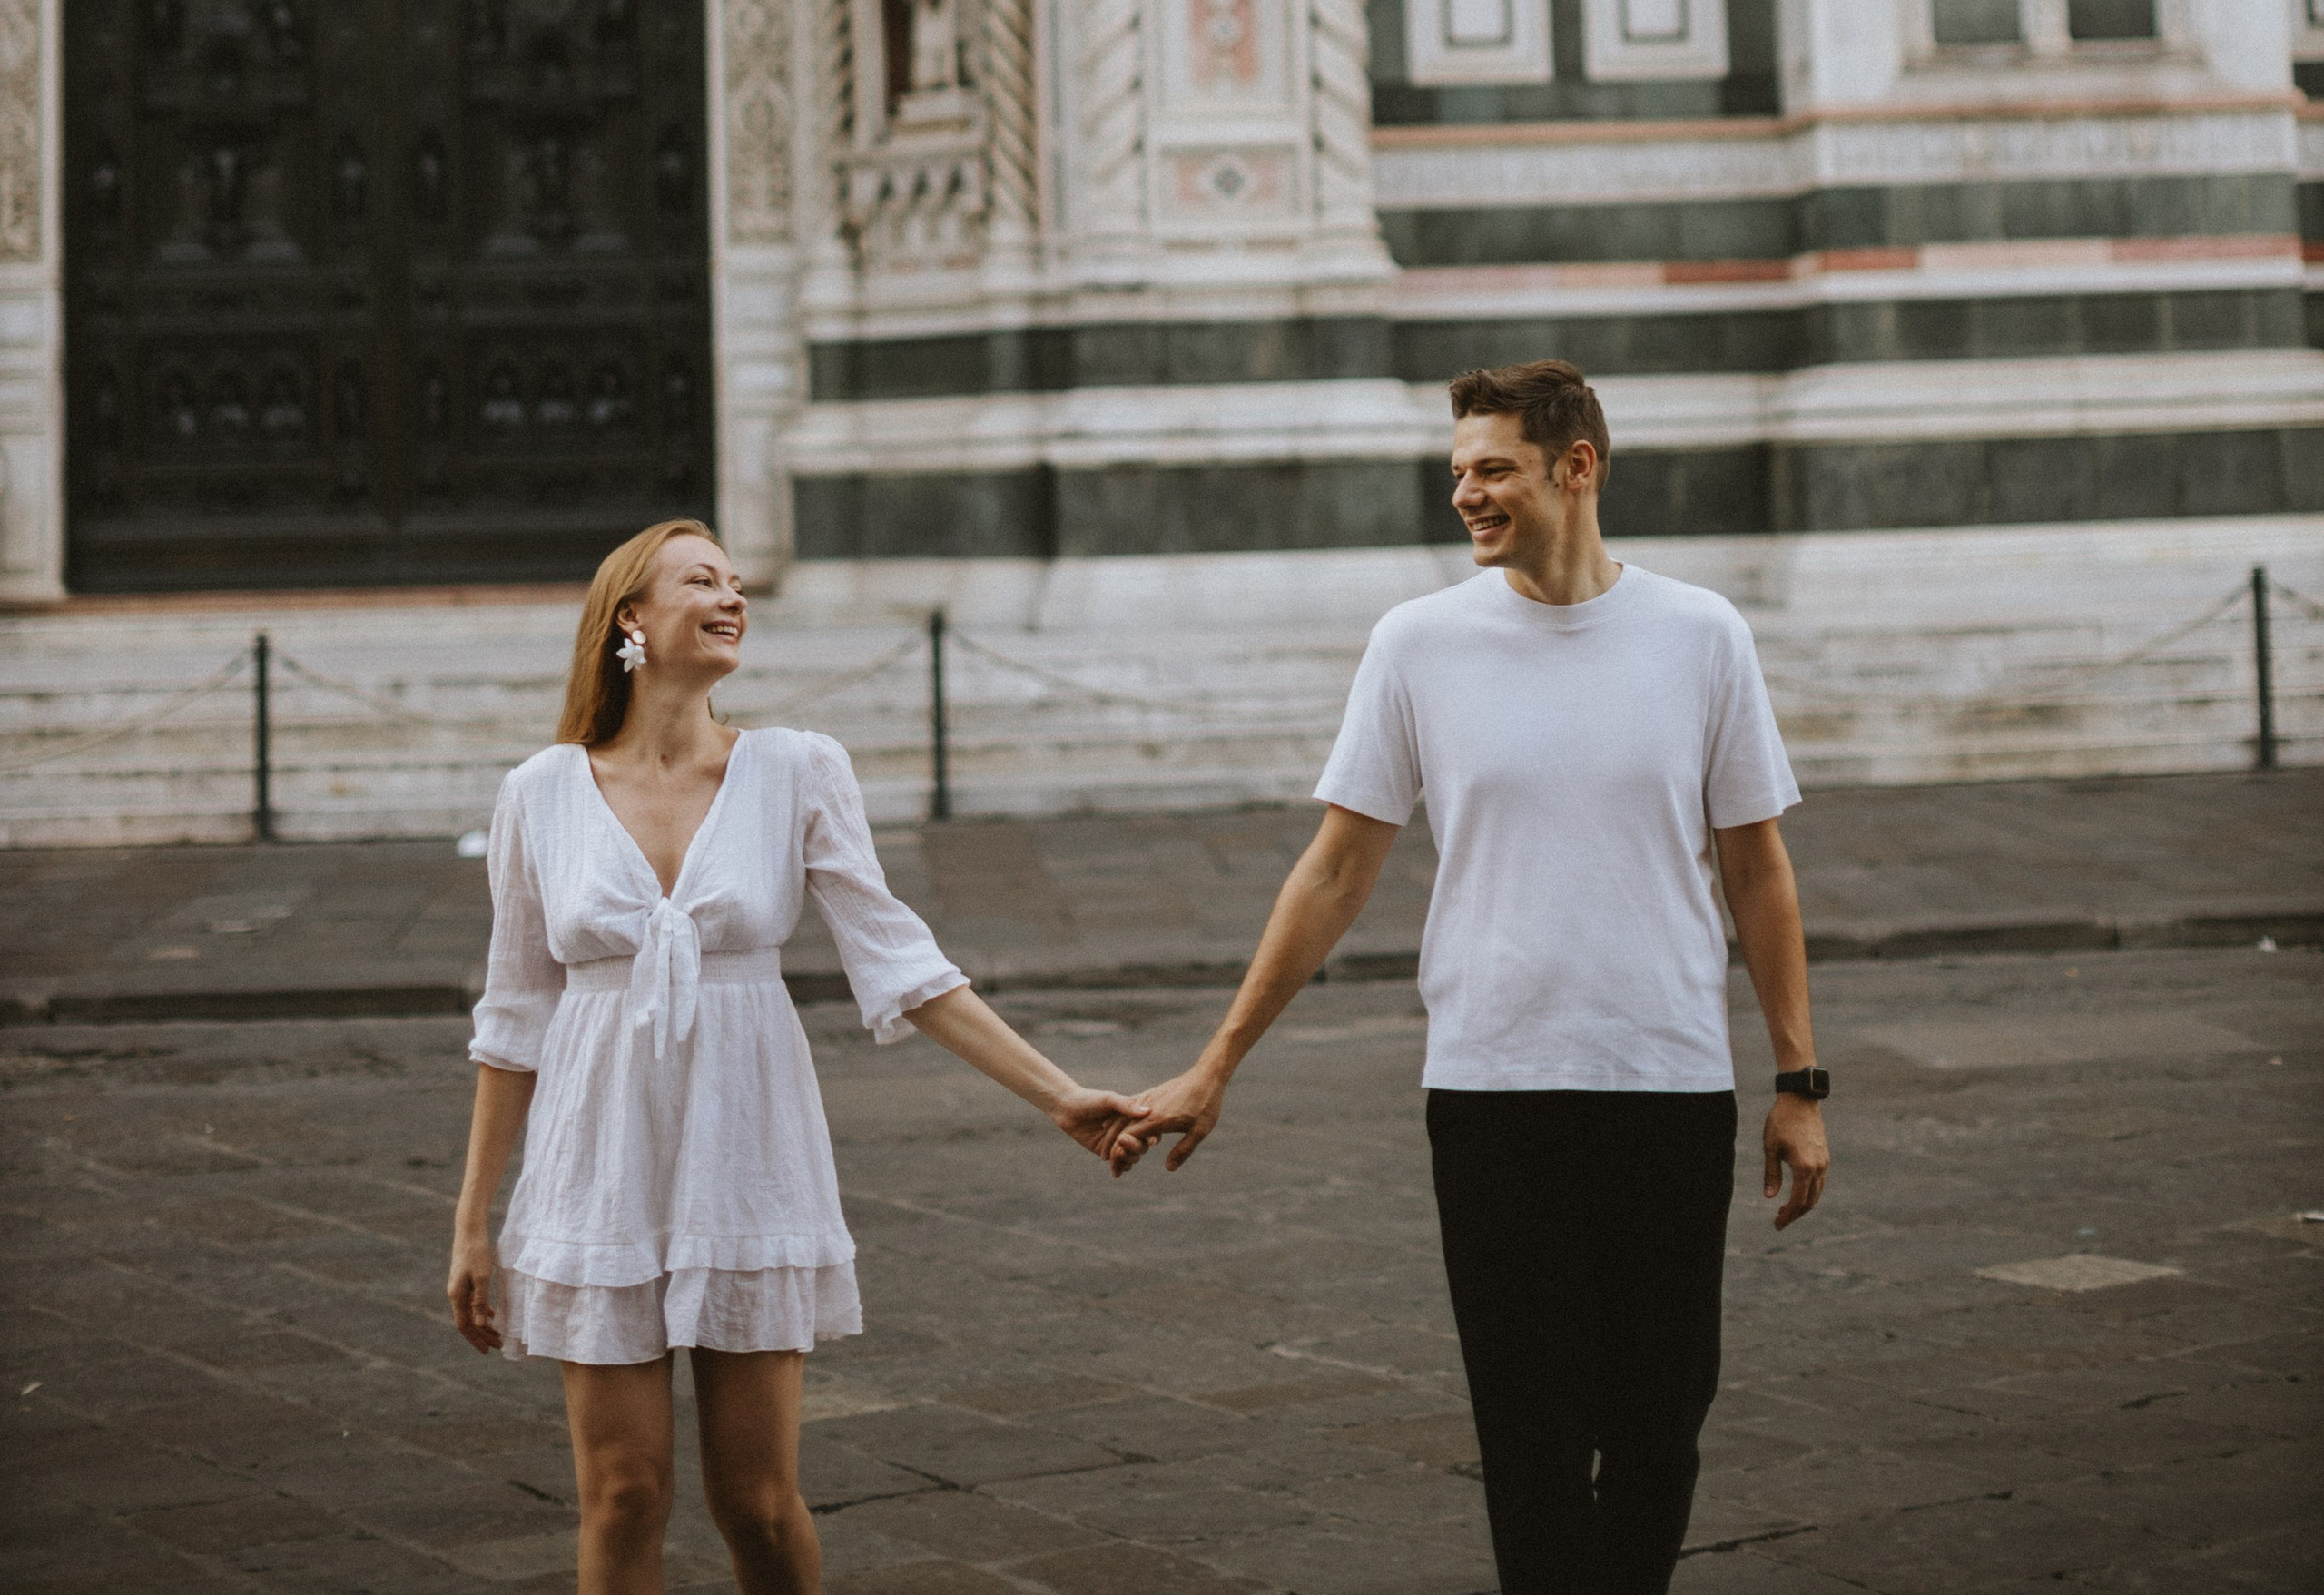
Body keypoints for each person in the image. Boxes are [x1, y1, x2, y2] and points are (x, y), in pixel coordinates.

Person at [1111, 359, 1829, 1595]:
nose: (1465, 495)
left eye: (1493, 469)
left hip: (1666, 1083)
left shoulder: (1702, 635)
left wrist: (1799, 1080)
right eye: (1457, 472)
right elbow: (1335, 869)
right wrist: (1214, 1063)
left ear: (1576, 467)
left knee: (1660, 1421)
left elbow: (1757, 868)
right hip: (1493, 1090)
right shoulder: (1418, 643)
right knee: (1529, 1430)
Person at [447, 518, 1145, 1592]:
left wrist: (1058, 1096)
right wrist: (472, 1225)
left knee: (758, 1505)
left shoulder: (795, 769)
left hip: (746, 1148)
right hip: (597, 1164)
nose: (732, 598)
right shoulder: (538, 791)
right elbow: (513, 1019)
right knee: (623, 1495)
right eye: (701, 581)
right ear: (631, 617)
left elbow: (904, 964)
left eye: (736, 582)